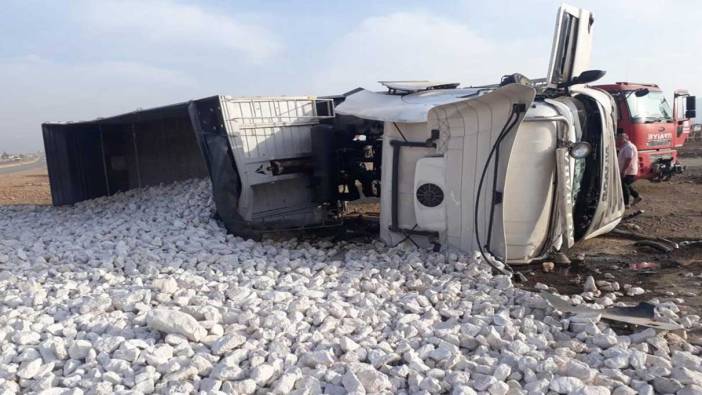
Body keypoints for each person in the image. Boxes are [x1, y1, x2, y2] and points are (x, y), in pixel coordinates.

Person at [616, 133, 641, 208]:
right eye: (618, 139)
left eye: (619, 139)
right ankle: (637, 196)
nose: (618, 141)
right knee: (626, 185)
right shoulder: (625, 147)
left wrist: (624, 170)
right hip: (627, 170)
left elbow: (628, 159)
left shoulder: (628, 147)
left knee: (624, 185)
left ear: (625, 139)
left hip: (628, 170)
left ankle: (626, 203)